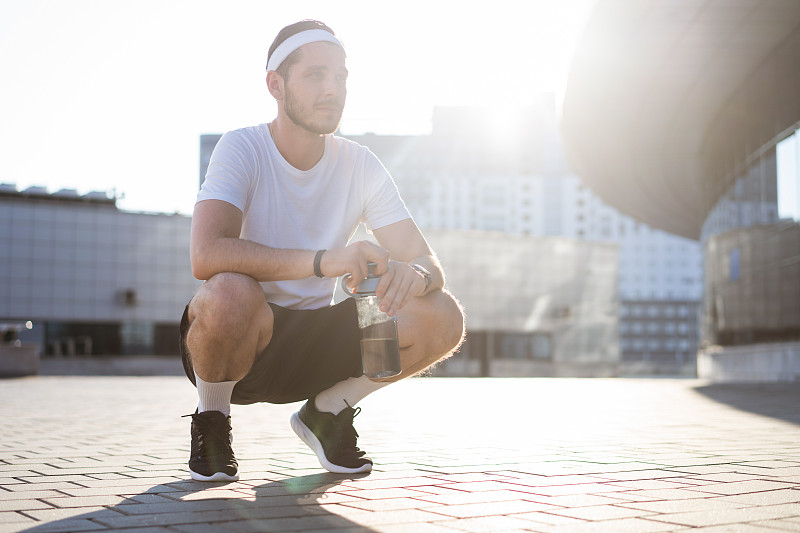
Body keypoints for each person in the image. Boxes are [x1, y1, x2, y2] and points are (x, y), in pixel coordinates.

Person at [179, 19, 465, 481]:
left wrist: (414, 275)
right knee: (228, 290)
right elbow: (206, 254)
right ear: (276, 84)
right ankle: (213, 418)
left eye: (340, 76)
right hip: (245, 343)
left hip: (317, 345)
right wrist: (323, 260)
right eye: (315, 75)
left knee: (443, 314)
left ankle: (328, 410)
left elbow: (427, 261)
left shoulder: (361, 164)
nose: (332, 88)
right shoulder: (243, 147)